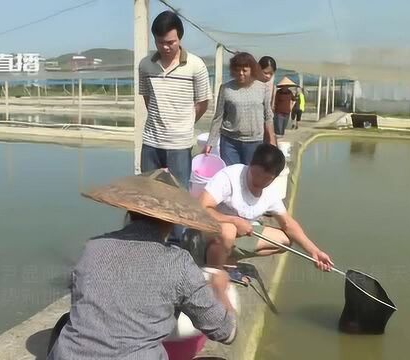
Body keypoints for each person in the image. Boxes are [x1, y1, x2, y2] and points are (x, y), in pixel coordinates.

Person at [49, 170, 236, 360]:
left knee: (65, 322)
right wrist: (220, 289)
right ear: (172, 220)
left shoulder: (91, 247)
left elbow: (79, 301)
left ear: (130, 211)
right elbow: (225, 332)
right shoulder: (179, 264)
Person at [199, 144, 333, 281]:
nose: (259, 182)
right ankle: (213, 274)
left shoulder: (270, 193)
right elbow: (201, 207)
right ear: (250, 164)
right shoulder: (229, 177)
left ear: (274, 178)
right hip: (209, 231)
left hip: (239, 235)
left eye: (266, 179)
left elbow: (287, 223)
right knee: (228, 230)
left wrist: (314, 251)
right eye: (256, 175)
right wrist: (233, 220)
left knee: (285, 241)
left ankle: (226, 259)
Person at [138, 11, 211, 188]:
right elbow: (148, 99)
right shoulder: (145, 65)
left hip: (180, 143)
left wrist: (184, 123)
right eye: (160, 42)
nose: (165, 47)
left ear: (180, 37)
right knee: (148, 191)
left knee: (179, 193)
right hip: (151, 141)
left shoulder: (196, 65)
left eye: (171, 42)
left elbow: (203, 102)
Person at [205, 52, 276, 166]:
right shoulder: (226, 88)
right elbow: (219, 117)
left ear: (252, 70)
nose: (241, 73)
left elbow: (268, 116)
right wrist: (210, 142)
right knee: (231, 173)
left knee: (250, 175)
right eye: (237, 70)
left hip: (254, 142)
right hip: (229, 142)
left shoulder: (263, 88)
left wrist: (272, 141)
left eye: (245, 70)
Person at [258, 56, 277, 143]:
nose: (268, 76)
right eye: (265, 73)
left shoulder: (269, 86)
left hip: (264, 126)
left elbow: (268, 113)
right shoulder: (250, 85)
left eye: (271, 74)